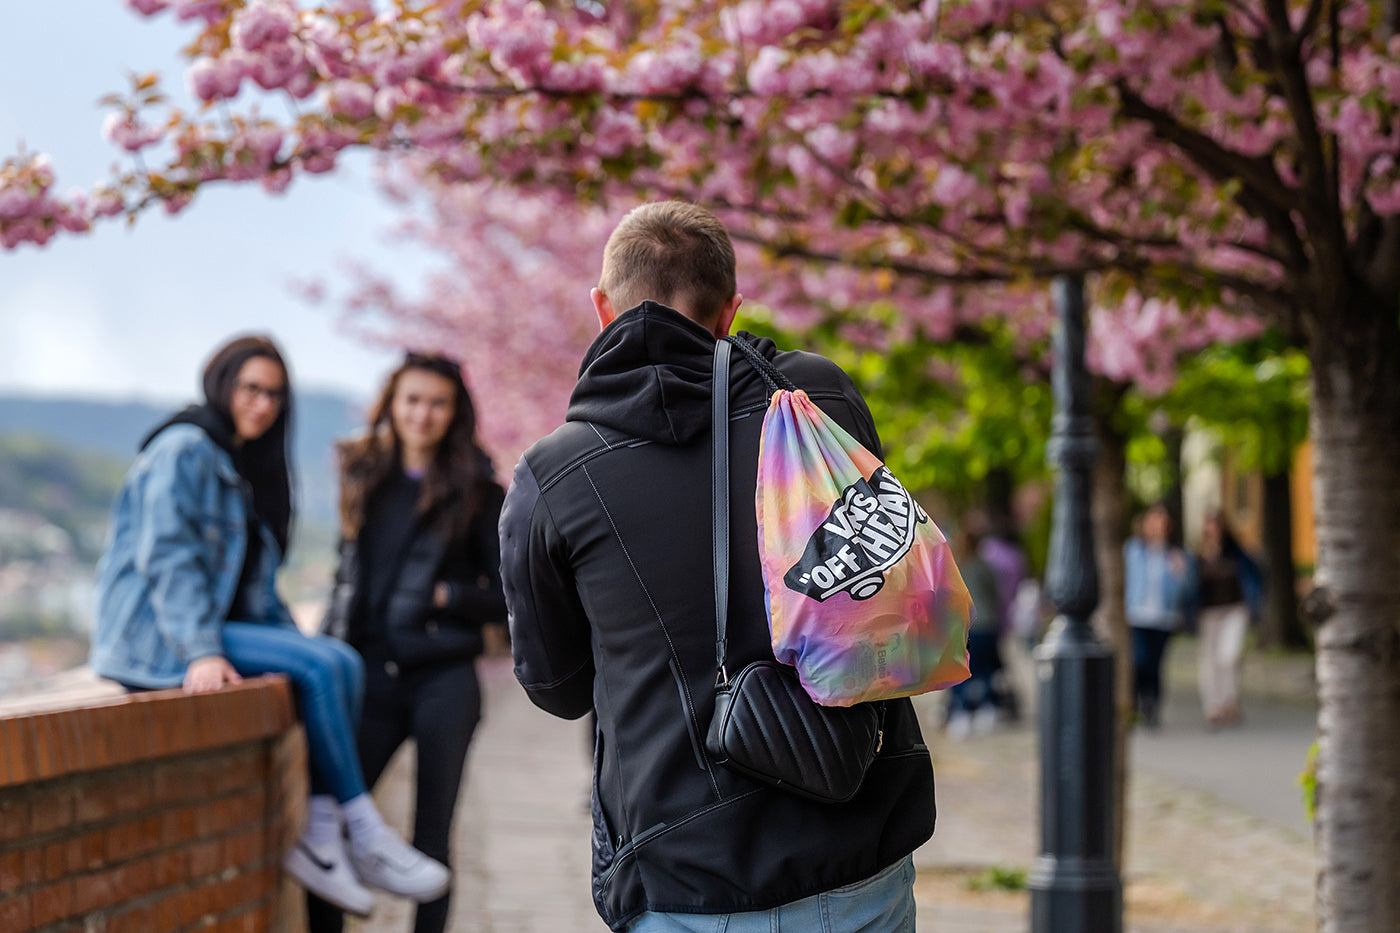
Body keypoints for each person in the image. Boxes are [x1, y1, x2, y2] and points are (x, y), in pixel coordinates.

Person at [499, 201, 935, 932]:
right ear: (731, 311)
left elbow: (557, 687)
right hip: (861, 847)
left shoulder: (555, 474)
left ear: (603, 308)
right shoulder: (817, 399)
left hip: (685, 873)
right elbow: (879, 578)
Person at [89, 335, 450, 919]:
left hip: (210, 628)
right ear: (223, 383)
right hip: (158, 638)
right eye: (251, 389)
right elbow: (169, 559)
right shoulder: (184, 449)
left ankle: (323, 829)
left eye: (275, 395)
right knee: (318, 666)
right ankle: (359, 828)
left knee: (335, 659)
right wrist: (201, 652)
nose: (262, 405)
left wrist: (293, 638)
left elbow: (251, 588)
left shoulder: (235, 461)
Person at [308, 351, 506, 933]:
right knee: (332, 827)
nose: (423, 414)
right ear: (392, 404)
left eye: (437, 403)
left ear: (455, 412)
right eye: (412, 400)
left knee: (432, 837)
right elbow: (347, 575)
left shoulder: (478, 490)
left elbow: (503, 597)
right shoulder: (361, 472)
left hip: (445, 678)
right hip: (368, 673)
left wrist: (448, 596)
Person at [1123, 503, 1195, 728]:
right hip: (1136, 615)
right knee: (1139, 661)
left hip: (1164, 617)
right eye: (1153, 521)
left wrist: (1180, 572)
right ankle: (1135, 703)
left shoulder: (1175, 554)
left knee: (1155, 665)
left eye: (1162, 523)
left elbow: (1187, 590)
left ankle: (1151, 706)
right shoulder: (1134, 550)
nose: (1157, 527)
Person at [1193, 512, 1263, 728]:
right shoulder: (1198, 555)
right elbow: (1190, 585)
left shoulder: (1235, 552)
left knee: (1228, 656)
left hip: (1235, 610)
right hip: (1208, 613)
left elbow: (1256, 574)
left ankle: (1228, 700)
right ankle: (1213, 707)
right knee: (1210, 660)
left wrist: (1254, 602)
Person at [946, 513, 1004, 737]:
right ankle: (987, 707)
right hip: (986, 624)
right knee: (987, 670)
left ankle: (961, 713)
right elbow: (994, 594)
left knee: (961, 671)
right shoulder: (984, 567)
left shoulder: (955, 566)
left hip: (962, 627)